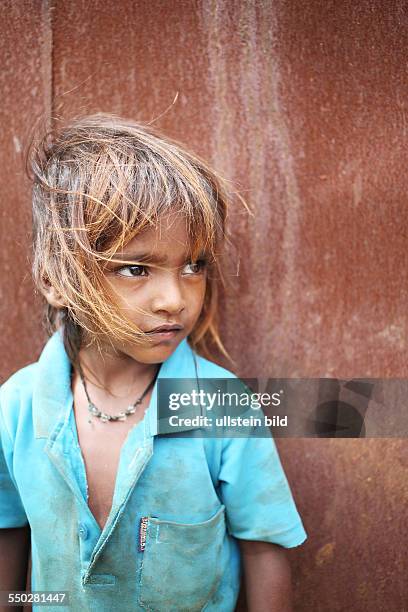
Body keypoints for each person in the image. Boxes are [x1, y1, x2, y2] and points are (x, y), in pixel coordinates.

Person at [0, 113, 307, 612]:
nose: (174, 299)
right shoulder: (14, 409)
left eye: (194, 266)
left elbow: (263, 550)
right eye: (135, 268)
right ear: (56, 280)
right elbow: (10, 544)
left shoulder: (222, 406)